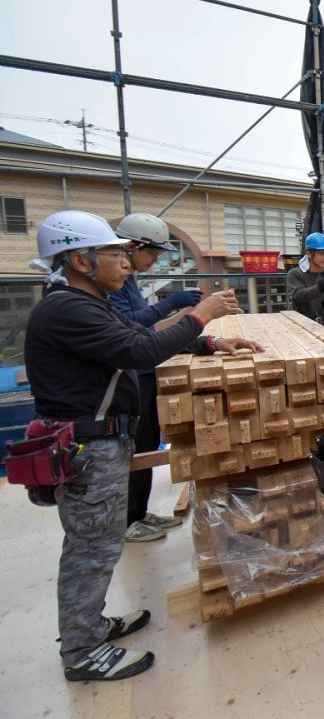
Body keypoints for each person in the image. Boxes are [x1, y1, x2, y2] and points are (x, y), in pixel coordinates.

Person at [24, 210, 249, 682]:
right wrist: (199, 316)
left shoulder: (89, 303)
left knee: (100, 546)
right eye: (113, 254)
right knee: (91, 552)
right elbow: (138, 352)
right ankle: (82, 653)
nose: (125, 263)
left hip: (99, 443)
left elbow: (138, 336)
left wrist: (206, 346)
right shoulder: (67, 309)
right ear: (81, 260)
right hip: (86, 449)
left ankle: (91, 626)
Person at [107, 213, 201, 542]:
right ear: (133, 246)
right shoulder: (114, 283)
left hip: (146, 372)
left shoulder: (129, 280)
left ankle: (140, 513)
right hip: (132, 374)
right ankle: (128, 522)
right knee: (135, 448)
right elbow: (130, 324)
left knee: (146, 445)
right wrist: (173, 305)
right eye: (153, 254)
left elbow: (141, 325)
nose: (156, 260)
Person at [287, 231, 324, 320]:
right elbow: (299, 296)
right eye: (321, 253)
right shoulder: (295, 274)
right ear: (309, 253)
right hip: (304, 325)